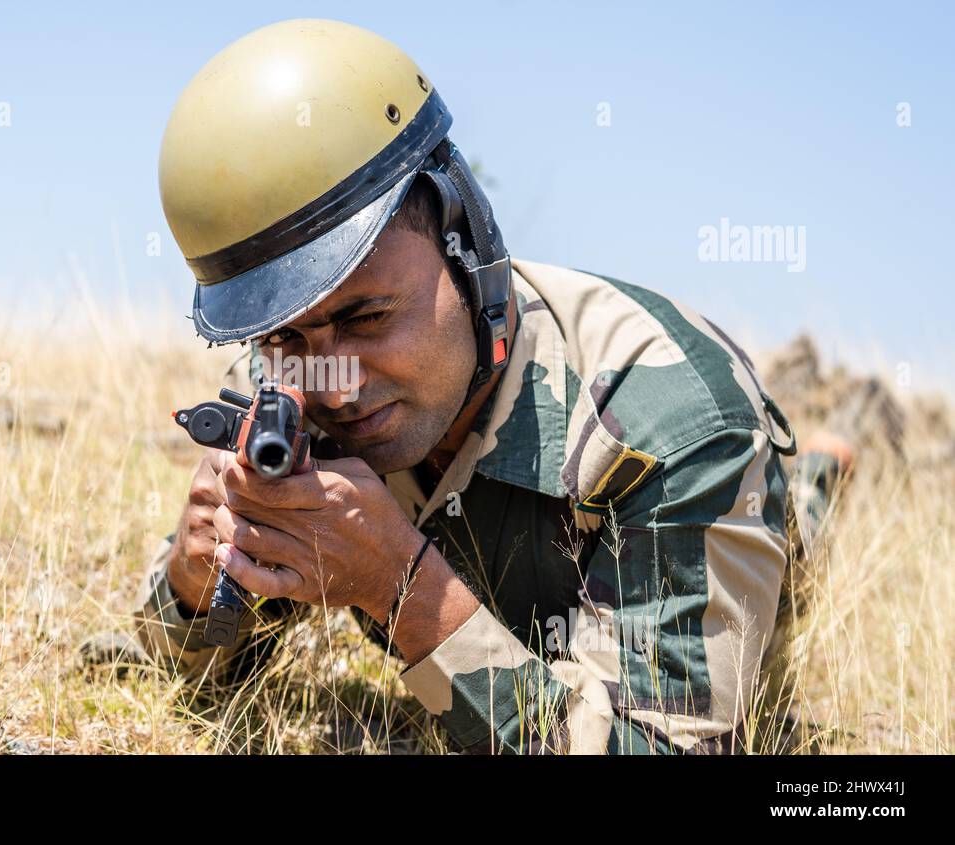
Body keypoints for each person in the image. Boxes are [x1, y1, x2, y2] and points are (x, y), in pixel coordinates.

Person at [116, 18, 851, 754]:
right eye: (283, 337)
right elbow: (196, 682)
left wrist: (397, 584)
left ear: (463, 242)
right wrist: (197, 576)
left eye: (368, 316)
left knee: (798, 536)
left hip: (729, 503)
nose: (336, 387)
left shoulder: (681, 428)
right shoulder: (292, 393)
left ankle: (820, 473)